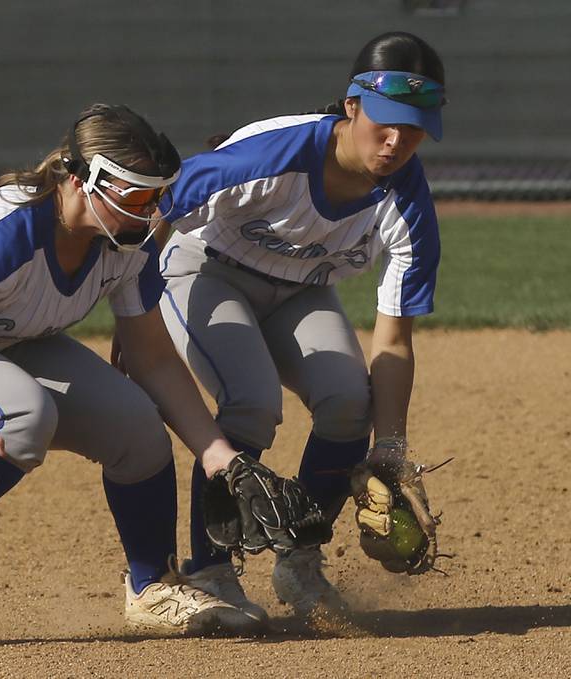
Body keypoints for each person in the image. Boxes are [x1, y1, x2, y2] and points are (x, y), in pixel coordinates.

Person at [0, 103, 264, 651]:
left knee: (135, 423)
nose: (150, 210)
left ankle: (152, 586)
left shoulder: (125, 241)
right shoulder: (13, 229)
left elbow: (153, 359)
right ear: (83, 180)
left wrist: (217, 453)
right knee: (23, 413)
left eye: (158, 194)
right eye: (136, 193)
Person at [151, 31, 447, 620]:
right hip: (206, 269)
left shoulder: (408, 204)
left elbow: (392, 341)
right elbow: (155, 212)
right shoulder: (272, 154)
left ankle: (300, 559)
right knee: (252, 401)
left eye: (413, 130)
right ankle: (209, 568)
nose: (395, 142)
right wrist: (132, 332)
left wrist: (390, 449)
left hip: (300, 290)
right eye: (384, 122)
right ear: (351, 106)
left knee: (348, 403)